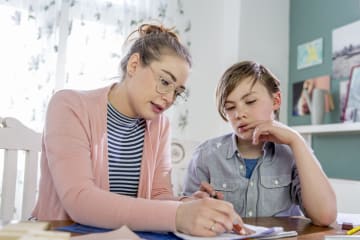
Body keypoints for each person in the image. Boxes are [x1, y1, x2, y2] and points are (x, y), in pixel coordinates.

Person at [32, 23, 244, 237]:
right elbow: (79, 200)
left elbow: (159, 195)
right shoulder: (69, 105)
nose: (169, 98)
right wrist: (178, 214)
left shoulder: (160, 125)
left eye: (177, 92)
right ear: (133, 65)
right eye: (164, 81)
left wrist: (188, 204)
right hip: (62, 234)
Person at [183, 60, 337, 226]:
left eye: (250, 102)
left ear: (276, 100)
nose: (239, 114)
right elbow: (188, 217)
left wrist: (296, 140)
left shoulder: (294, 152)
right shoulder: (206, 155)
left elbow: (325, 216)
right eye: (230, 107)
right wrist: (198, 206)